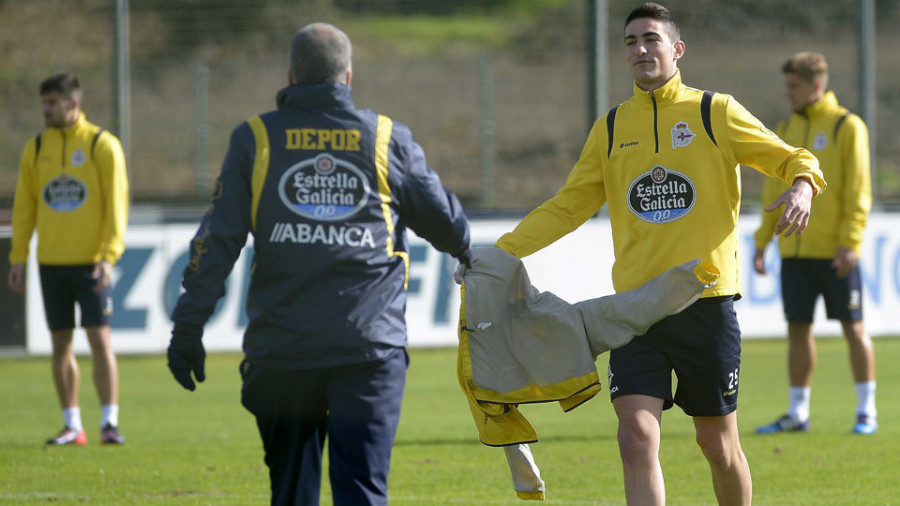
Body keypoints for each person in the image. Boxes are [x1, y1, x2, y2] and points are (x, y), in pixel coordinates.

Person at [493, 3, 825, 505]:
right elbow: (567, 208)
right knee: (635, 437)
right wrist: (500, 254)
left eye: (650, 38)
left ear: (677, 49)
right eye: (630, 41)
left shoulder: (715, 111)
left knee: (717, 445)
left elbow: (791, 156)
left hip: (705, 302)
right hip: (635, 310)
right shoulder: (608, 129)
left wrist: (802, 186)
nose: (640, 49)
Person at [166, 22, 471, 506]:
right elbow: (448, 226)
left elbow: (216, 242)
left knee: (290, 494)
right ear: (347, 77)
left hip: (283, 351)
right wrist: (471, 255)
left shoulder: (255, 139)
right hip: (369, 350)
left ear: (289, 74)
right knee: (363, 493)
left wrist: (188, 325)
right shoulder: (385, 137)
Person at [753, 52, 875, 435]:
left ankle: (866, 410)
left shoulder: (847, 126)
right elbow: (775, 190)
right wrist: (762, 242)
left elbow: (859, 190)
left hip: (835, 252)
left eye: (794, 86)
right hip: (794, 251)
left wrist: (850, 241)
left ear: (816, 86)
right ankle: (798, 413)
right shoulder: (784, 127)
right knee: (798, 331)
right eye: (787, 85)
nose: (788, 93)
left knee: (854, 328)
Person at [8, 73, 129, 446]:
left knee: (99, 339)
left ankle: (109, 422)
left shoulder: (101, 145)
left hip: (91, 261)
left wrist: (109, 256)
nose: (45, 109)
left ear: (73, 103)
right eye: (43, 102)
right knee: (60, 343)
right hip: (51, 262)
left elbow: (116, 205)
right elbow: (25, 206)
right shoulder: (36, 147)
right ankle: (72, 425)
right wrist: (19, 255)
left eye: (52, 103)